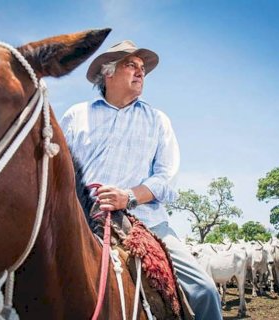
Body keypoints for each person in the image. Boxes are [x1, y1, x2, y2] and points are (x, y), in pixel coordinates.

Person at [60, 40, 222, 320]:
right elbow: (59, 171)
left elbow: (166, 178)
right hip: (82, 220)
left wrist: (128, 196)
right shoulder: (76, 116)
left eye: (142, 68)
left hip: (147, 222)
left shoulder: (158, 120)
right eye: (131, 65)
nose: (140, 72)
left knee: (204, 290)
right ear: (108, 73)